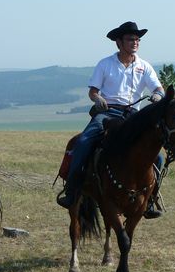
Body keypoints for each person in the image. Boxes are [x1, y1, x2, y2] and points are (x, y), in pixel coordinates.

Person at [57, 21, 165, 217]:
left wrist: (158, 95)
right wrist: (97, 99)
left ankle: (150, 200)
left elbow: (158, 88)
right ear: (119, 42)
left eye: (137, 39)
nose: (135, 42)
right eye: (131, 39)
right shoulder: (105, 64)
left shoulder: (144, 66)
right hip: (107, 113)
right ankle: (72, 190)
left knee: (158, 156)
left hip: (133, 117)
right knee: (82, 142)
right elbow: (93, 91)